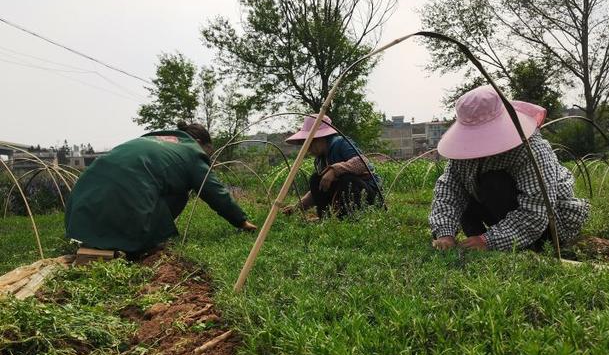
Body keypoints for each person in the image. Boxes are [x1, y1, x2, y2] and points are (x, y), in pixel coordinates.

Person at [429, 85, 590, 252]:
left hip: (546, 224)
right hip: (500, 215)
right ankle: (476, 242)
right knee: (466, 187)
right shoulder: (463, 155)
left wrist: (488, 241)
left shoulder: (531, 149)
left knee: (493, 181)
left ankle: (503, 243)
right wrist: (444, 233)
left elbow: (536, 210)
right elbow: (449, 190)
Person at [65, 121, 257, 255]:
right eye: (209, 153)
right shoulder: (191, 152)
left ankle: (98, 236)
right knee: (181, 194)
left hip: (79, 208)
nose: (209, 160)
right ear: (199, 144)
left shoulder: (152, 141)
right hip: (126, 202)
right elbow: (214, 191)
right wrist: (241, 222)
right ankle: (148, 238)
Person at [282, 114, 382, 219]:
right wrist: (297, 207)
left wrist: (334, 170)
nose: (308, 150)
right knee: (316, 179)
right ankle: (326, 218)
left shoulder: (341, 143)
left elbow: (363, 162)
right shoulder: (320, 159)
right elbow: (321, 187)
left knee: (347, 179)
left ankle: (350, 217)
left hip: (367, 194)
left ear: (320, 138)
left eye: (310, 144)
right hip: (343, 197)